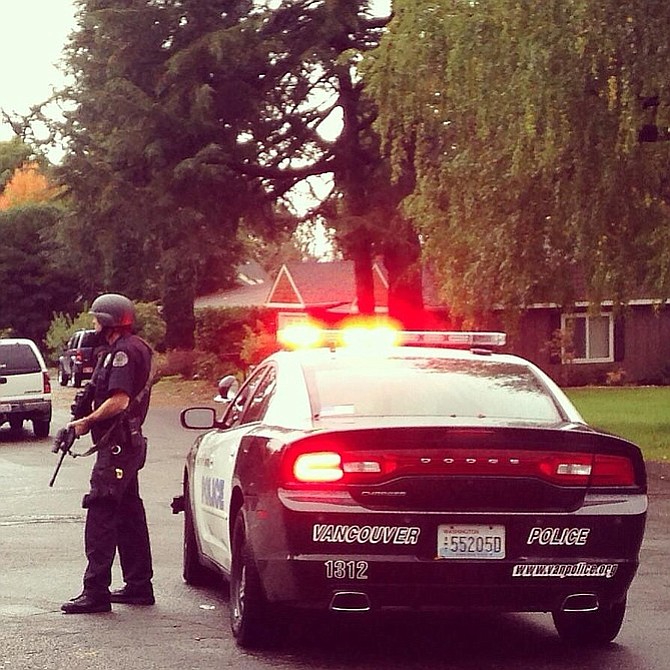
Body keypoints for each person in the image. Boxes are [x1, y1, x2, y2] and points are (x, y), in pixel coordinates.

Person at [61, 293, 155, 614]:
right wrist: (77, 420)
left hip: (117, 446)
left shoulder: (124, 353)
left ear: (109, 321)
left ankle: (95, 591)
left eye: (96, 318)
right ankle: (139, 585)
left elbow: (119, 400)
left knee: (101, 510)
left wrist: (85, 422)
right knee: (129, 512)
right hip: (125, 445)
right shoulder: (120, 350)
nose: (93, 324)